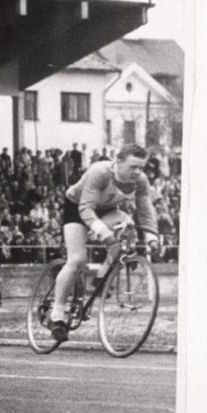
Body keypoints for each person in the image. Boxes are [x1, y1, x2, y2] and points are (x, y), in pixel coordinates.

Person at [49, 144, 159, 342]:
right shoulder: (100, 172)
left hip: (107, 210)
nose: (138, 172)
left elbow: (145, 209)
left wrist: (151, 236)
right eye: (133, 166)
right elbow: (85, 208)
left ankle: (100, 281)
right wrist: (103, 232)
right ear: (118, 162)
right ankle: (57, 314)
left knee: (129, 228)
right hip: (78, 208)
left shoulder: (140, 181)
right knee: (77, 261)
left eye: (141, 167)